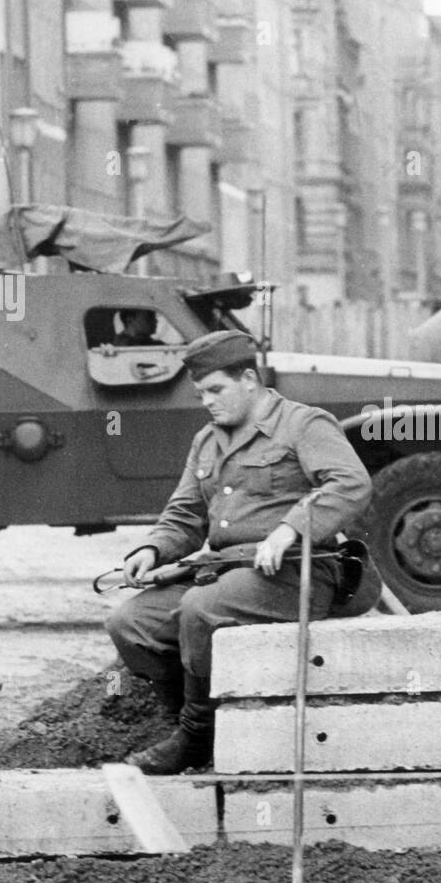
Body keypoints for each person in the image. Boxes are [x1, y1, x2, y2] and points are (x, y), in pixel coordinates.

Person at [105, 330, 372, 774]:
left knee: (200, 608)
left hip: (296, 572)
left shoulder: (303, 424)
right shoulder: (207, 441)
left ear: (249, 378)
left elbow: (351, 484)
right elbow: (186, 514)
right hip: (227, 571)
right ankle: (190, 727)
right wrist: (152, 549)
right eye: (200, 393)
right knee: (130, 622)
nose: (207, 401)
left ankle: (194, 735)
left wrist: (291, 529)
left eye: (215, 390)